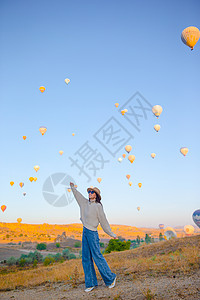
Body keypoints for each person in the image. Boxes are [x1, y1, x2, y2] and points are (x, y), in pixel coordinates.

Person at [70, 182, 117, 292]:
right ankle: (90, 283)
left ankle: (110, 279)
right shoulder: (84, 203)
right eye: (89, 192)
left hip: (92, 233)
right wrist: (73, 187)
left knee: (97, 256)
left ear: (96, 195)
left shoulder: (98, 206)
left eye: (92, 192)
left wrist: (111, 233)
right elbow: (77, 195)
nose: (89, 193)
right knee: (86, 258)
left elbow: (103, 221)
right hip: (85, 231)